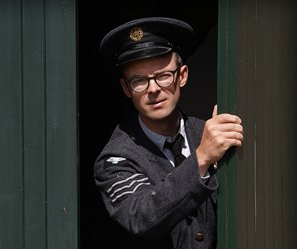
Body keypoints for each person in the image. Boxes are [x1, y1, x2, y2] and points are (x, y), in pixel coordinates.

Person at [93, 17, 244, 249]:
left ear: (182, 76)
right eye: (139, 81)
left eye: (163, 76)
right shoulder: (115, 159)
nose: (153, 89)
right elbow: (141, 217)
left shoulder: (207, 134)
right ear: (126, 88)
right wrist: (201, 158)